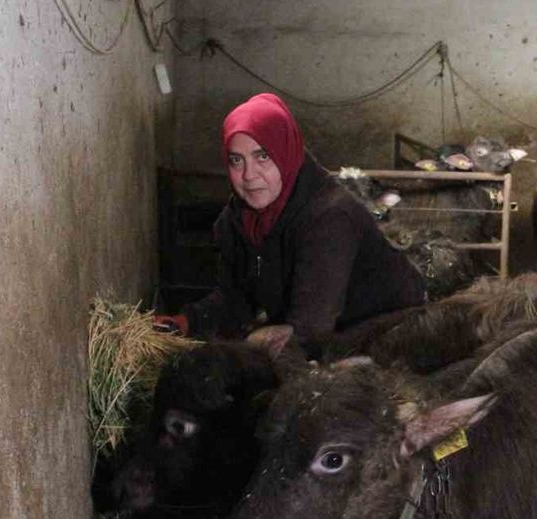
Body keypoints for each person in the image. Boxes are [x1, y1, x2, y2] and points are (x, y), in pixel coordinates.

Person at [155, 93, 425, 341]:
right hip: (323, 331)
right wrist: (187, 321)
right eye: (237, 160)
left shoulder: (330, 217)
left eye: (262, 156)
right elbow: (235, 297)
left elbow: (310, 329)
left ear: (285, 153)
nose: (249, 175)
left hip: (391, 333)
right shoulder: (237, 221)